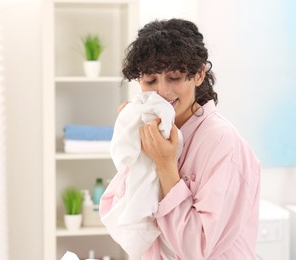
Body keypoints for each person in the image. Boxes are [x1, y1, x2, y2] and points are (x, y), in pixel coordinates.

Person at [100, 18, 260, 260]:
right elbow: (120, 213)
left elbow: (197, 249)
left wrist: (166, 165)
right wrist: (131, 133)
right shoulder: (154, 131)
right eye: (150, 81)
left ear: (198, 74)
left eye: (174, 78)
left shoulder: (221, 142)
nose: (162, 92)